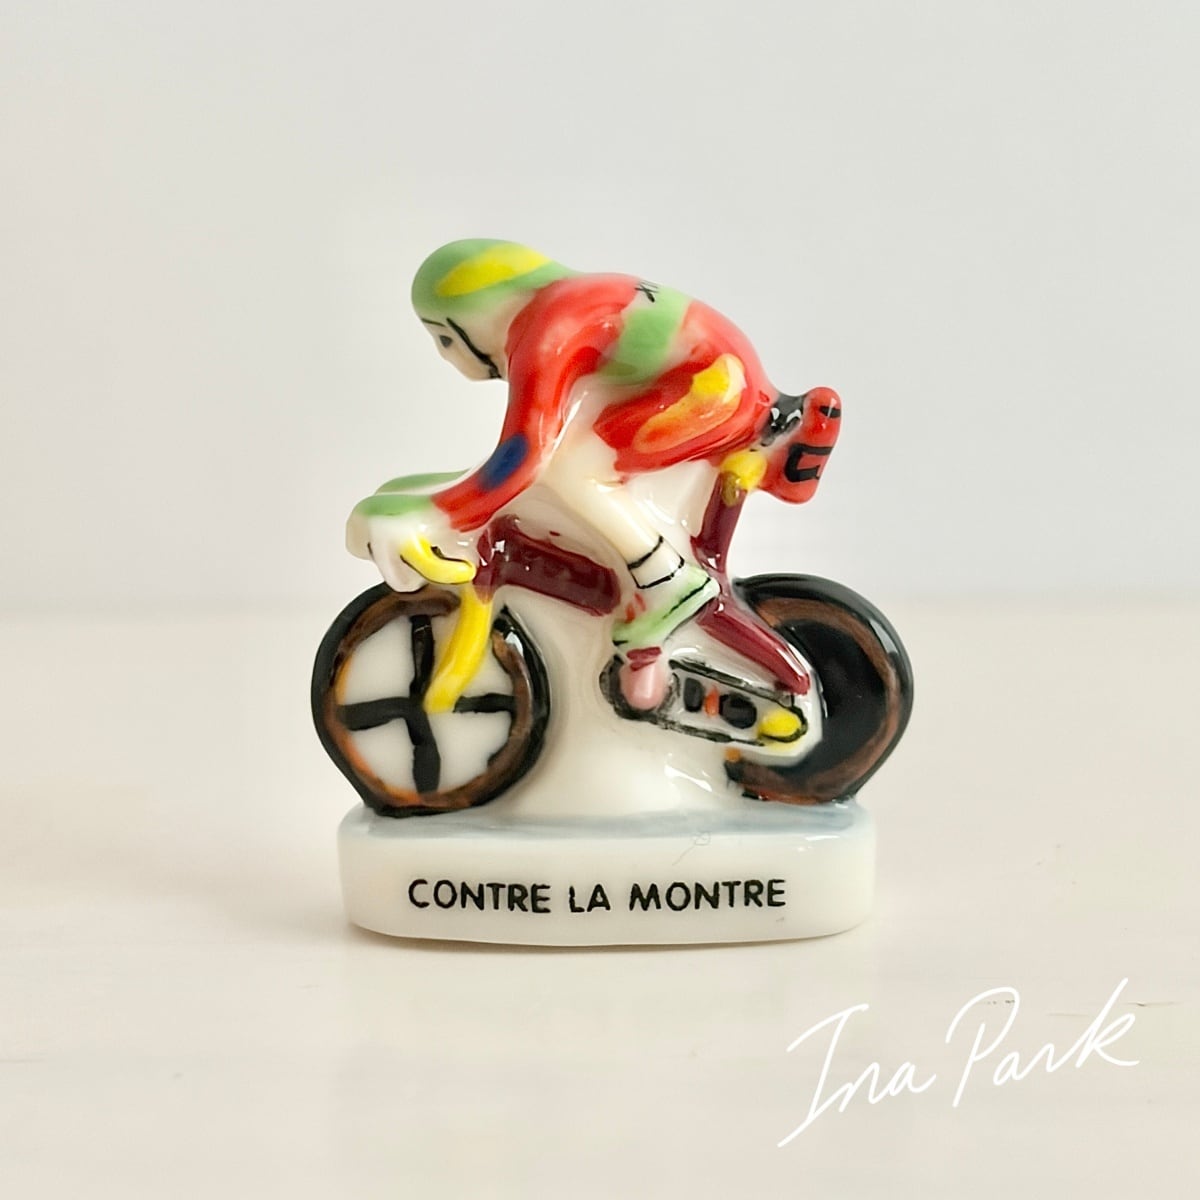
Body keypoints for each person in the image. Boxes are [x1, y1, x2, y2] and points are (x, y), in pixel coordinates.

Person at [347, 238, 787, 709]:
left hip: (716, 389)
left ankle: (669, 582)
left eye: (445, 338)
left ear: (472, 317)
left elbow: (522, 453)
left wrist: (434, 515)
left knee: (569, 470)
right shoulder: (557, 307)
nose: (445, 356)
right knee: (567, 466)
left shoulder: (546, 328)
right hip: (717, 378)